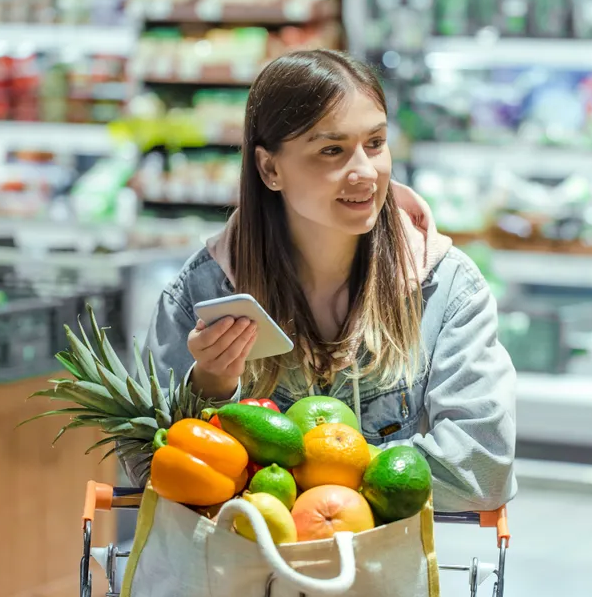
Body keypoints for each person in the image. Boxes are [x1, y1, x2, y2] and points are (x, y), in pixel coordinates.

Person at [126, 49, 517, 512]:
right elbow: (145, 461)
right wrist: (211, 386)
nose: (366, 172)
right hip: (240, 572)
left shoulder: (447, 288)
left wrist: (317, 473)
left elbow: (484, 467)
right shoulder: (206, 289)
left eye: (375, 143)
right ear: (271, 169)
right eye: (332, 150)